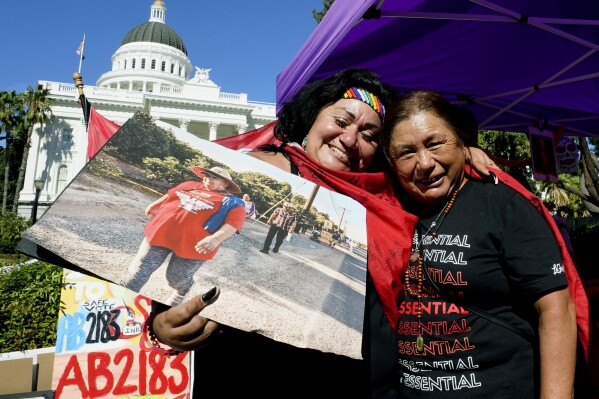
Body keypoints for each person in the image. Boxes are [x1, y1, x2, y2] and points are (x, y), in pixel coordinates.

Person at [145, 69, 501, 398]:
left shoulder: (385, 193)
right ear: (313, 115)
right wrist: (162, 326)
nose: (349, 139)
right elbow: (185, 262)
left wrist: (459, 153)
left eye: (369, 135)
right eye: (341, 120)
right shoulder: (260, 166)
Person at [378, 89, 577, 397]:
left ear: (461, 142)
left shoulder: (503, 205)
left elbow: (556, 310)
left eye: (435, 143)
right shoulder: (385, 206)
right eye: (406, 153)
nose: (425, 163)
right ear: (390, 162)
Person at [120, 166, 246, 306]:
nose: (208, 179)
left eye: (214, 177)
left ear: (225, 184)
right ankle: (119, 302)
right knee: (138, 271)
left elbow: (233, 224)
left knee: (175, 278)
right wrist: (155, 204)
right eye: (207, 175)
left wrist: (216, 238)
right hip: (160, 234)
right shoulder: (190, 185)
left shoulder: (234, 203)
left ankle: (182, 291)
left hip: (194, 247)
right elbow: (171, 195)